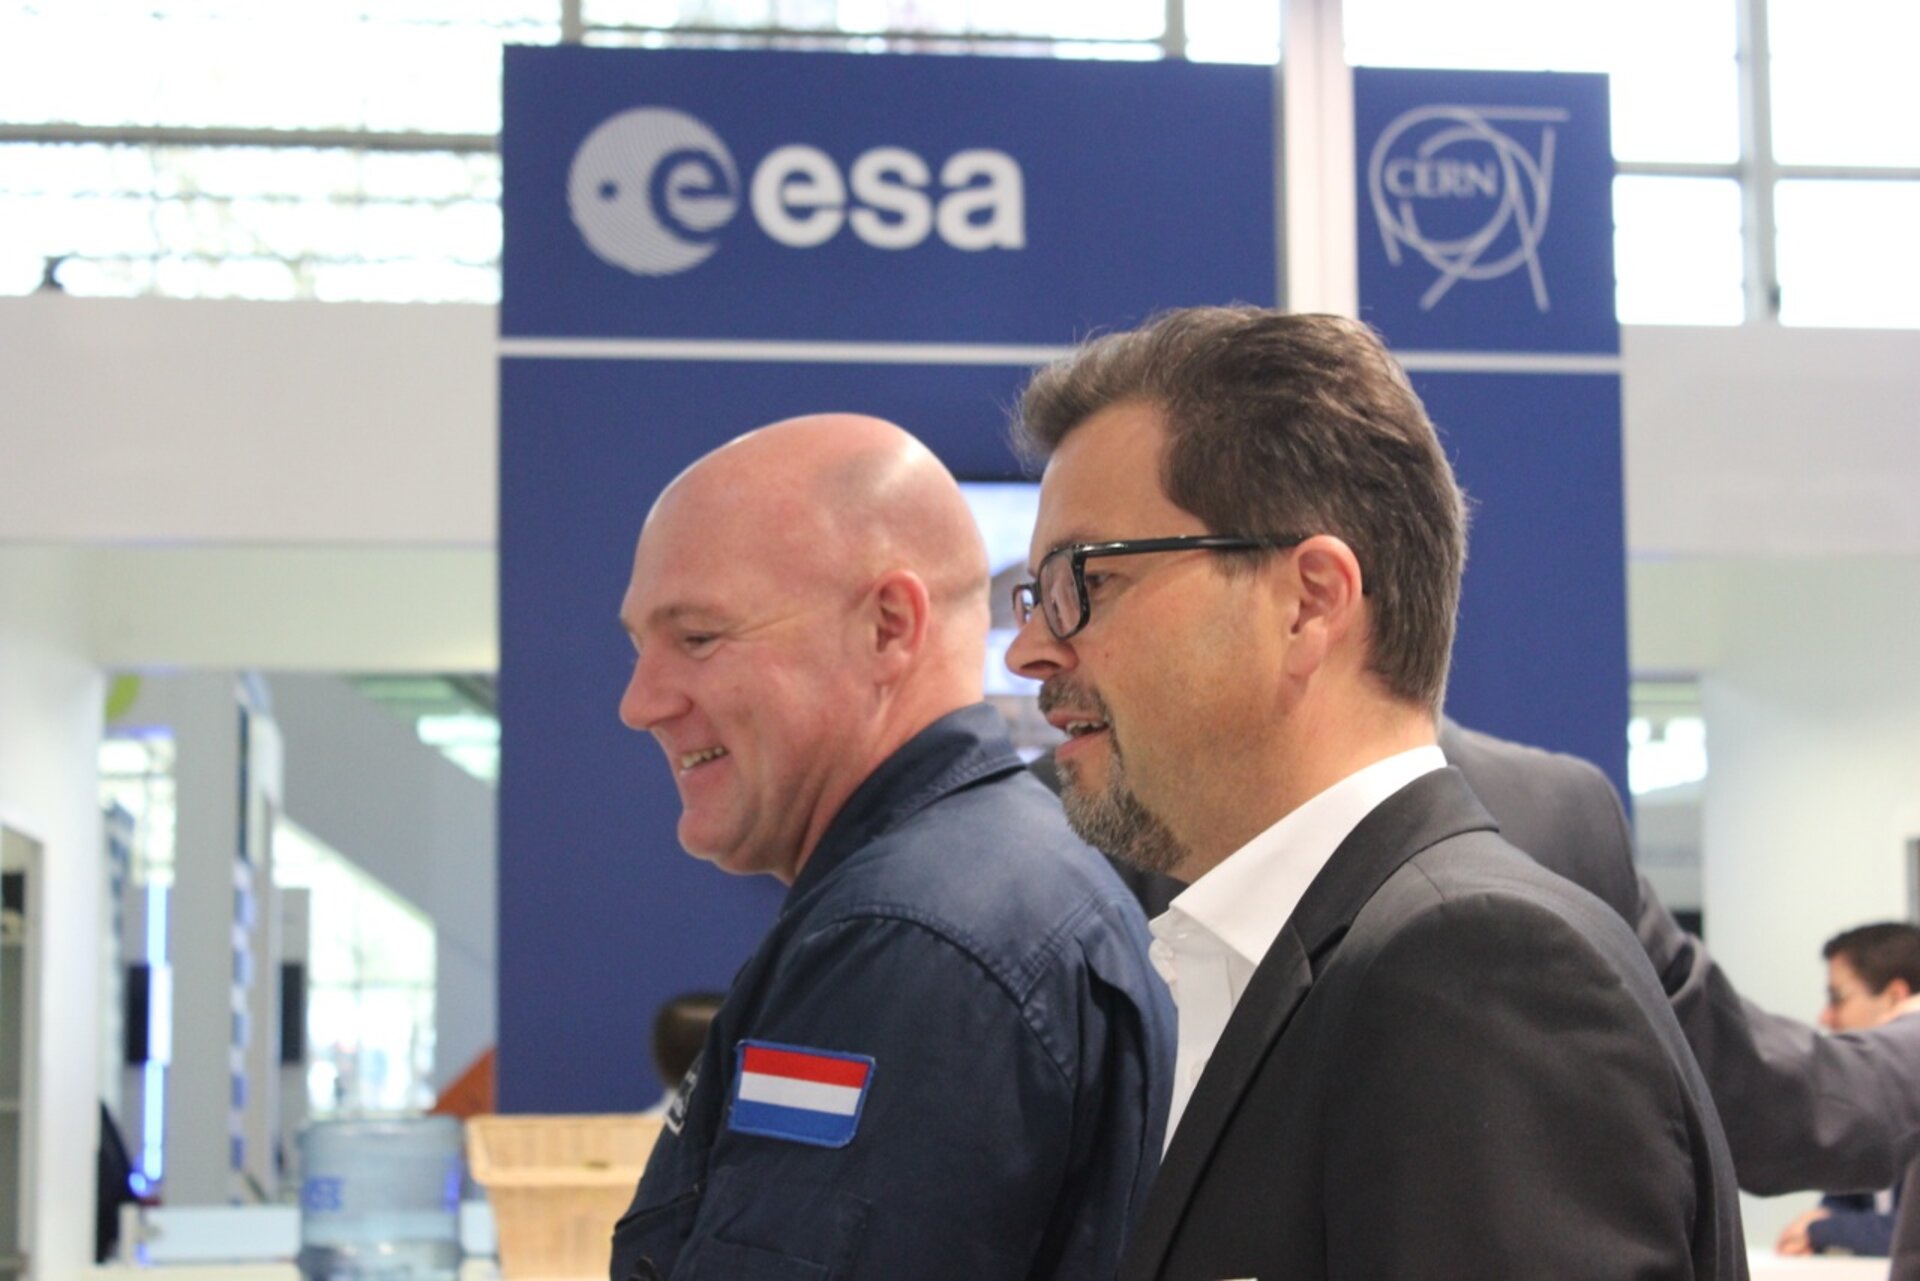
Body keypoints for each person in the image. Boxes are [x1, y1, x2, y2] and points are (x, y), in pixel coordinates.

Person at [1005, 306, 1745, 1280]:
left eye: (1081, 580)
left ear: (1309, 603)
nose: (1030, 650)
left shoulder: (1474, 968)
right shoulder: (1295, 958)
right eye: (1032, 593)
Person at [608, 414, 1174, 1281]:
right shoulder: (985, 884)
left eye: (698, 638)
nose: (641, 702)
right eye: (638, 645)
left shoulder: (912, 942)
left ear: (887, 627)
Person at [1774, 923, 1920, 1257]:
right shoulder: (1867, 1103)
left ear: (1894, 997)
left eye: (1837, 998)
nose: (1825, 1017)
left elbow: (1909, 1235)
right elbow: (1835, 1208)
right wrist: (1825, 1227)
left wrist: (1823, 1229)